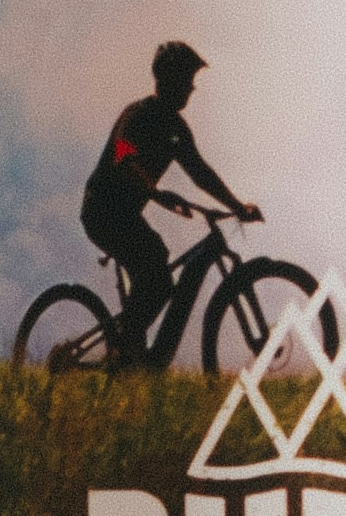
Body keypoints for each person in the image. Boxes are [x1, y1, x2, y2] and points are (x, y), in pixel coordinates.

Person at [81, 43, 249, 360]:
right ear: (167, 80)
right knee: (157, 277)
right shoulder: (138, 115)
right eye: (186, 80)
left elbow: (201, 173)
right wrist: (157, 194)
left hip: (126, 216)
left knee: (155, 269)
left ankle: (131, 348)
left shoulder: (176, 129)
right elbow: (124, 160)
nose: (192, 87)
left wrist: (237, 206)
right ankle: (125, 351)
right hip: (102, 211)